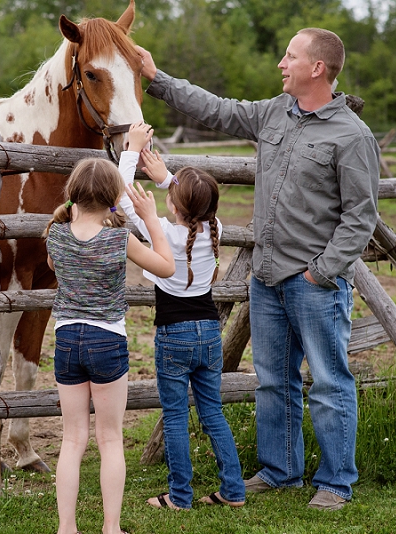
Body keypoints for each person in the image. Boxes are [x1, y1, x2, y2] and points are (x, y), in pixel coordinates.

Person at [135, 27, 380, 511]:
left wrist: (321, 272)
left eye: (290, 56)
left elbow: (360, 217)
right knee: (273, 381)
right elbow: (217, 108)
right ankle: (280, 471)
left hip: (315, 282)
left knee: (329, 381)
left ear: (317, 68)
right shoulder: (273, 113)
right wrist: (156, 78)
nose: (280, 64)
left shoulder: (352, 135)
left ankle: (335, 483)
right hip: (266, 280)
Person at [117, 123, 245, 511]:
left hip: (173, 335)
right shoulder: (215, 227)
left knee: (175, 416)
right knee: (212, 412)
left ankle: (180, 496)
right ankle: (234, 491)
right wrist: (168, 178)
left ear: (175, 207)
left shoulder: (163, 233)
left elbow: (120, 202)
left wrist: (131, 152)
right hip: (209, 333)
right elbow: (195, 201)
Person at [45, 157, 175, 534]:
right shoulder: (120, 239)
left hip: (67, 339)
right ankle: (111, 528)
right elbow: (166, 267)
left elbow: (55, 266)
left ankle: (66, 528)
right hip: (107, 340)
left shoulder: (55, 233)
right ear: (113, 196)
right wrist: (150, 219)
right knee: (110, 438)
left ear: (73, 193)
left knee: (72, 439)